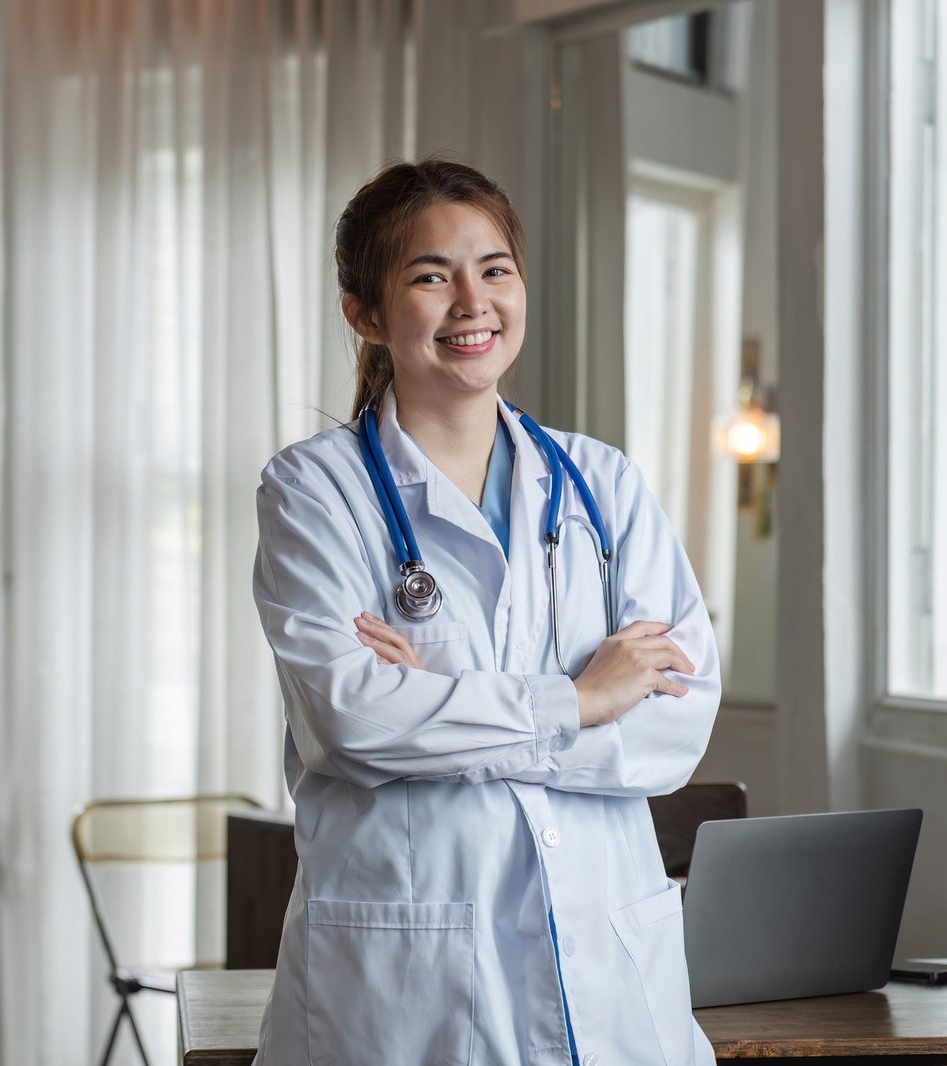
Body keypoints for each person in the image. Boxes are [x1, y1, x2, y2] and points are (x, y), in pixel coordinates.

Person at [251, 157, 722, 1065]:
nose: (473, 302)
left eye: (495, 268)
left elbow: (676, 728)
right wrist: (580, 699)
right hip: (406, 989)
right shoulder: (315, 491)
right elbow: (352, 722)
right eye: (431, 275)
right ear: (366, 313)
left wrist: (443, 707)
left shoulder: (604, 483)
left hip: (609, 978)